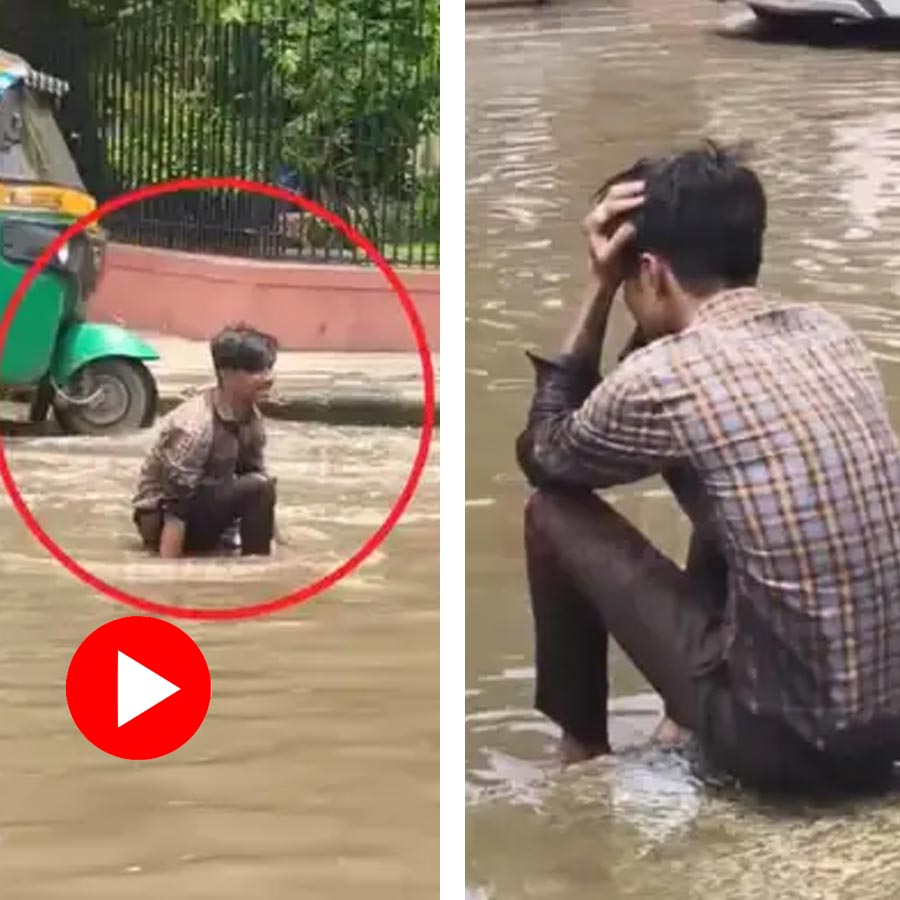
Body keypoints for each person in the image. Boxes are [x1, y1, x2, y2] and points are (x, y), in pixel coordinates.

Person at [516, 141, 900, 794]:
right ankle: (679, 720)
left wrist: (600, 286)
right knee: (734, 471)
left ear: (652, 272)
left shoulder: (667, 375)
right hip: (886, 732)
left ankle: (581, 755)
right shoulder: (830, 333)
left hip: (780, 747)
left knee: (550, 513)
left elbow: (547, 454)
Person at [132, 323, 278, 559]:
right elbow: (174, 508)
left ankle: (257, 564)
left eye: (269, 368)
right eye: (257, 371)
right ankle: (254, 562)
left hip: (203, 507)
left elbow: (258, 483)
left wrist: (278, 547)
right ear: (226, 373)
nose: (269, 378)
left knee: (262, 485)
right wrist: (169, 573)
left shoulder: (250, 418)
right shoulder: (194, 426)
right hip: (164, 522)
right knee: (258, 487)